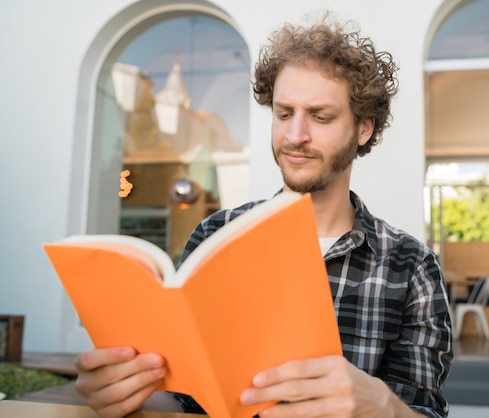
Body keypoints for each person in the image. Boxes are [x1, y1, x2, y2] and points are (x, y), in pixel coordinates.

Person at [74, 12, 453, 418]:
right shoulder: (217, 234)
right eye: (284, 113)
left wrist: (383, 408)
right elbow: (186, 400)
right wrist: (129, 393)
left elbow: (421, 409)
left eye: (321, 116)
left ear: (363, 129)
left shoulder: (411, 266)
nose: (295, 136)